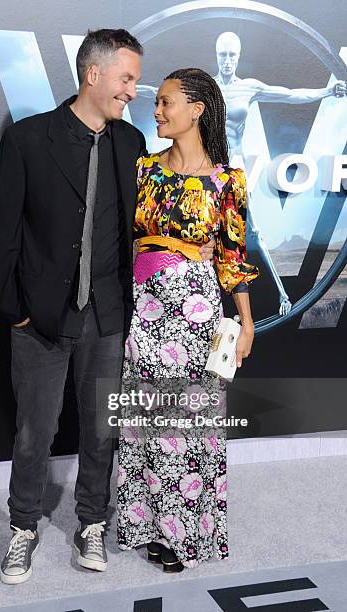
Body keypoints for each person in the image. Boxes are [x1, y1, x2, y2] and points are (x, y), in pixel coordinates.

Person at [0, 28, 150, 584]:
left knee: (103, 429)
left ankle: (90, 522)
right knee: (35, 430)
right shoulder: (30, 140)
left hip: (108, 314)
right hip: (40, 319)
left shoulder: (130, 144)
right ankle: (24, 527)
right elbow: (4, 235)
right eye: (126, 77)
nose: (133, 89)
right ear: (93, 74)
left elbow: (135, 230)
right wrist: (16, 311)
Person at [117, 68, 259, 571]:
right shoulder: (144, 171)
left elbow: (233, 260)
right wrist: (165, 246)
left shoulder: (227, 183)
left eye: (166, 102)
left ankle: (184, 534)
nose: (157, 111)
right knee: (146, 422)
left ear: (197, 109)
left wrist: (244, 326)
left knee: (187, 426)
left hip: (195, 313)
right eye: (155, 103)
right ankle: (151, 525)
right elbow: (123, 237)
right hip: (145, 309)